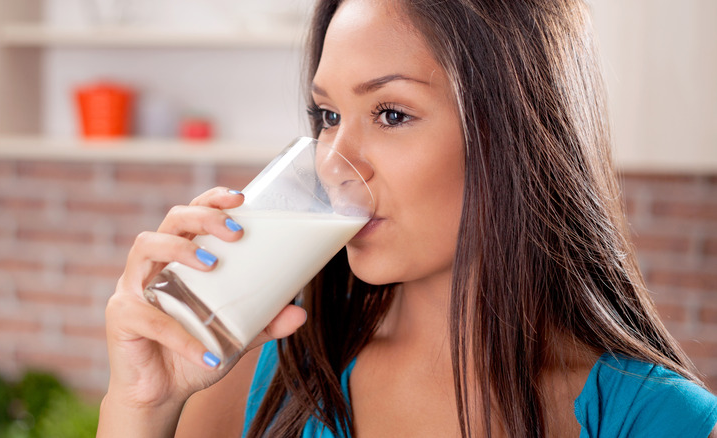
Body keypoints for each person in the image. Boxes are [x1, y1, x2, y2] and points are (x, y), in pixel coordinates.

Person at [97, 0, 717, 436]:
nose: (335, 163)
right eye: (328, 116)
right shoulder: (268, 376)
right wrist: (140, 406)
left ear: (515, 133)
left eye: (391, 114)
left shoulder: (661, 421)